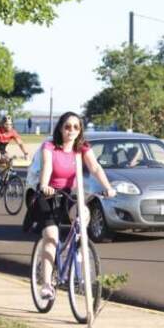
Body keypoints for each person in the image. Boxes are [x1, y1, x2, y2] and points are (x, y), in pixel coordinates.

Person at [37, 111, 117, 299]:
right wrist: (44, 185)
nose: (71, 130)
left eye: (76, 127)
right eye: (67, 126)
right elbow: (47, 166)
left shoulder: (82, 148)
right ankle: (47, 284)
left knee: (83, 214)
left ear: (80, 130)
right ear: (60, 128)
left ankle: (78, 251)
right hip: (49, 195)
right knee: (51, 236)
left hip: (69, 194)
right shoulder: (50, 146)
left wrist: (107, 187)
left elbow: (95, 168)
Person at [0, 116, 30, 197]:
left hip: (2, 151)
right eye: (6, 124)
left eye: (10, 124)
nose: (8, 126)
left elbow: (20, 143)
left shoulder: (12, 132)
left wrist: (25, 153)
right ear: (2, 124)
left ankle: (2, 181)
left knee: (9, 162)